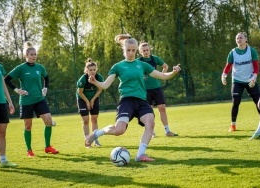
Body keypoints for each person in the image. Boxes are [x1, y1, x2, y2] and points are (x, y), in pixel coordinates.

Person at [85, 34, 181, 162]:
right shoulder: (118, 66)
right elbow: (105, 85)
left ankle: (140, 155)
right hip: (127, 101)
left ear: (136, 50)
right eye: (128, 50)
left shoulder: (142, 65)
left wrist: (173, 72)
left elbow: (162, 76)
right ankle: (98, 133)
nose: (131, 53)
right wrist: (95, 82)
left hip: (142, 101)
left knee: (150, 122)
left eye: (133, 50)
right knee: (119, 130)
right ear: (124, 50)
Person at [4, 41, 59, 156]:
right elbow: (6, 79)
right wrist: (16, 90)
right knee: (28, 126)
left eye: (35, 54)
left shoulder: (40, 67)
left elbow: (46, 78)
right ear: (26, 56)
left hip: (39, 99)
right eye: (31, 54)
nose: (34, 56)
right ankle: (29, 150)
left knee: (48, 121)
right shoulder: (21, 68)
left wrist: (45, 88)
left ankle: (48, 147)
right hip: (26, 101)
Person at [221, 32, 260, 132]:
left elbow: (256, 67)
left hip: (250, 80)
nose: (238, 39)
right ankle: (233, 125)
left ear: (246, 39)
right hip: (237, 80)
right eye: (237, 38)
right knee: (236, 101)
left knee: (258, 101)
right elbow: (228, 66)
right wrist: (224, 75)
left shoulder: (251, 51)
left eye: (240, 38)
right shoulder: (233, 52)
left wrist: (254, 78)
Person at [0, 41, 18, 170]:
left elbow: (3, 85)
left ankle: (3, 160)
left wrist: (10, 102)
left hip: (1, 103)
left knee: (2, 132)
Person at [138, 42, 178, 137]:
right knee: (149, 112)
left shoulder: (155, 59)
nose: (146, 52)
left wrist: (161, 75)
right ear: (140, 52)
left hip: (156, 88)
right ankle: (151, 132)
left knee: (162, 109)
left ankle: (167, 131)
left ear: (149, 50)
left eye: (147, 50)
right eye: (144, 51)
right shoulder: (138, 61)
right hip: (145, 90)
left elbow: (165, 66)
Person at [76, 58, 104, 147]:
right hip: (82, 98)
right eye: (90, 70)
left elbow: (100, 89)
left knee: (94, 119)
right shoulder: (83, 79)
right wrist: (87, 102)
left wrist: (92, 100)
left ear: (96, 69)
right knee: (85, 120)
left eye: (94, 70)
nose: (92, 72)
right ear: (86, 70)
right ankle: (87, 141)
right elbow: (80, 92)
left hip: (94, 98)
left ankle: (96, 141)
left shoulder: (99, 78)